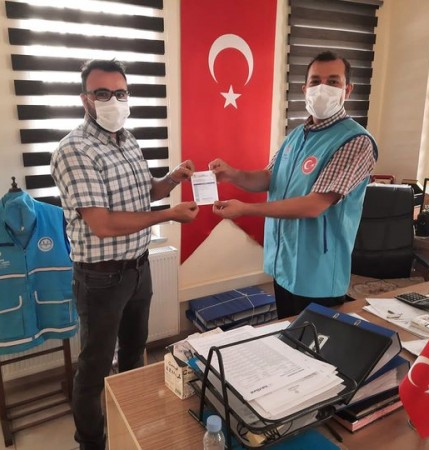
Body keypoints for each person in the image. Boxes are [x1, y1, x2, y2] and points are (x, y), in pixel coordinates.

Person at [50, 59, 199, 450]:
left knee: (135, 354)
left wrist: (173, 179)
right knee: (95, 369)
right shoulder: (74, 150)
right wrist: (168, 215)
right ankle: (92, 443)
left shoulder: (128, 139)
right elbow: (102, 223)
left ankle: (132, 429)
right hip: (100, 278)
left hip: (137, 269)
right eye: (102, 93)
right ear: (85, 99)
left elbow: (146, 191)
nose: (113, 101)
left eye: (120, 93)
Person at [209, 51, 378, 319]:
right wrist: (233, 174)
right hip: (284, 263)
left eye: (333, 82)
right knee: (286, 334)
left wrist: (247, 210)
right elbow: (269, 178)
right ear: (304, 89)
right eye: (315, 81)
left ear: (347, 90)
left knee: (316, 341)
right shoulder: (297, 136)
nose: (322, 88)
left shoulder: (355, 141)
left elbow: (314, 205)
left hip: (318, 272)